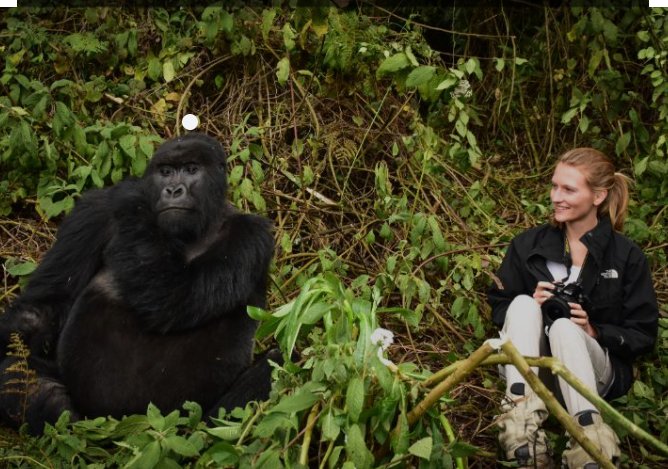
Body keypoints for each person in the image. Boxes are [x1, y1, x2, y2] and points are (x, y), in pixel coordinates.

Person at [487, 148, 659, 468]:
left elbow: (644, 334)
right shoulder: (527, 245)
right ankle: (521, 427)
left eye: (568, 189)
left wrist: (594, 330)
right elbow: (498, 305)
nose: (556, 197)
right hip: (532, 367)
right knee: (522, 303)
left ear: (598, 196)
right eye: (554, 186)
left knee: (566, 327)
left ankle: (588, 438)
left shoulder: (626, 256)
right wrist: (533, 306)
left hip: (592, 372)